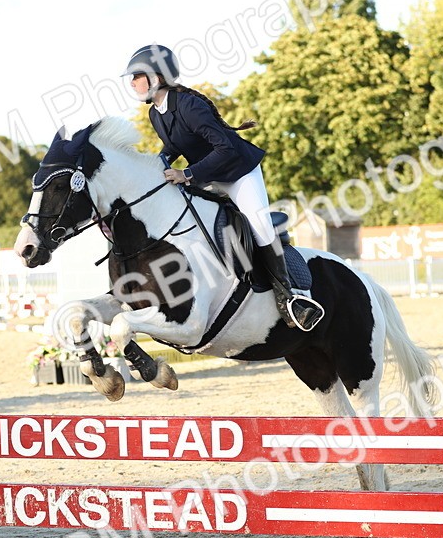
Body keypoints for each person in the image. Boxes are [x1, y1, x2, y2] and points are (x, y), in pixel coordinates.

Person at [124, 44, 324, 331]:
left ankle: (289, 299)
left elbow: (225, 148)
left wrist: (187, 173)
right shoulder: (156, 114)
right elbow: (176, 144)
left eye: (136, 76)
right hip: (207, 175)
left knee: (259, 225)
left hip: (238, 171)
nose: (132, 83)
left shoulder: (190, 105)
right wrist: (161, 161)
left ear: (156, 78)